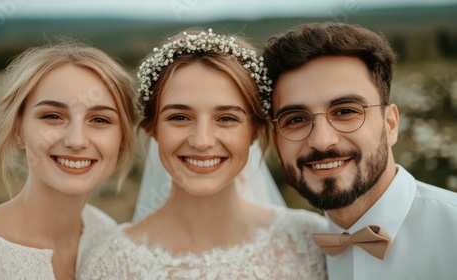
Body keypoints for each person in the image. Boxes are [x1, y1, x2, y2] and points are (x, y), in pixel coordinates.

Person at [81, 28, 326, 280]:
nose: (202, 141)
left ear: (255, 131)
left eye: (227, 118)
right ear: (152, 128)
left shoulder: (311, 242)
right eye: (179, 117)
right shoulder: (110, 262)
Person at [263, 22, 457, 280]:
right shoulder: (289, 257)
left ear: (390, 124)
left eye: (345, 112)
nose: (322, 141)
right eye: (296, 119)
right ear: (276, 143)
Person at [0, 39, 136, 279]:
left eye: (100, 120)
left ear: (122, 138)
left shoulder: (109, 236)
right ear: (19, 131)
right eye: (53, 116)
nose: (76, 140)